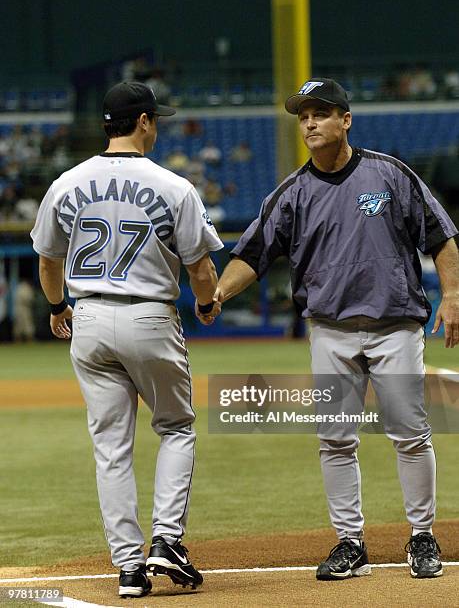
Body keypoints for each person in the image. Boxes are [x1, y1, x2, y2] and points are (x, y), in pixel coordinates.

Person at [199, 78, 459, 581]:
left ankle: (422, 535)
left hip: (395, 326)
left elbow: (443, 238)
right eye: (303, 116)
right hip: (330, 332)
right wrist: (217, 295)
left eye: (321, 113)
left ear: (346, 120)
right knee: (336, 439)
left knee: (409, 433)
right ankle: (349, 542)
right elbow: (252, 254)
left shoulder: (390, 175)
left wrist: (453, 297)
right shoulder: (292, 192)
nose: (311, 123)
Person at [31, 81, 223, 599]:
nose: (156, 125)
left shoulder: (66, 182)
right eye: (154, 118)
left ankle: (128, 568)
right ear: (142, 122)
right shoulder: (173, 185)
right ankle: (166, 541)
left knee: (111, 449)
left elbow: (47, 262)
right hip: (149, 318)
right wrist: (206, 304)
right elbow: (201, 268)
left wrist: (56, 307)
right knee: (177, 427)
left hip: (88, 318)